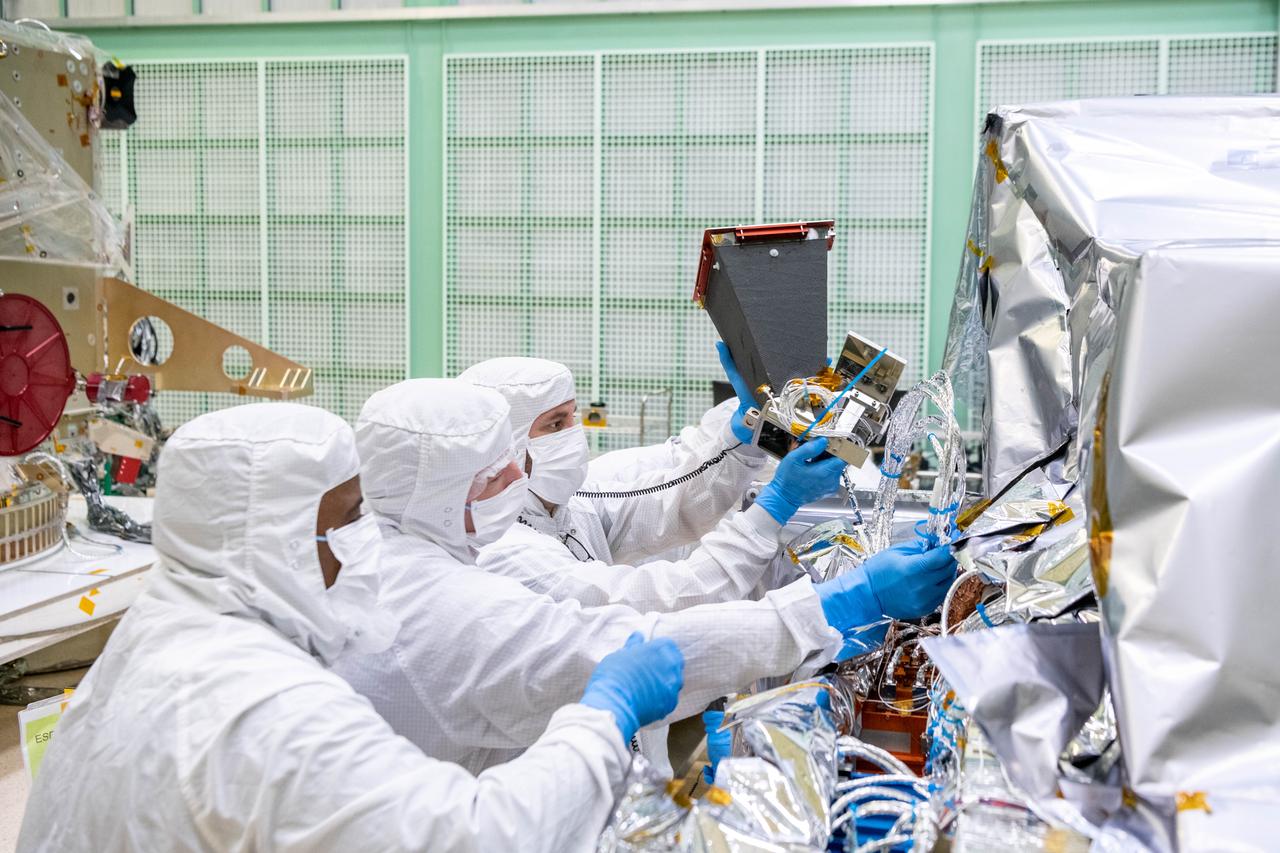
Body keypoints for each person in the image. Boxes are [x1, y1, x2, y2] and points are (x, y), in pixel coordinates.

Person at [17, 404, 685, 853]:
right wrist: (603, 716)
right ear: (277, 537)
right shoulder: (266, 707)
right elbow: (478, 835)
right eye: (350, 515)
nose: (368, 538)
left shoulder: (156, 631)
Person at [334, 379, 956, 775]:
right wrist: (833, 607)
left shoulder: (427, 542)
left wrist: (738, 430)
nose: (520, 479)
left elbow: (657, 486)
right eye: (501, 474)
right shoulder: (465, 588)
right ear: (445, 493)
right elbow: (635, 631)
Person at [460, 351, 831, 612]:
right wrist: (776, 505)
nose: (574, 436)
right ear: (508, 444)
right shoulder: (506, 552)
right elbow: (676, 597)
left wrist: (745, 434)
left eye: (573, 418)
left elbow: (676, 507)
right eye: (556, 424)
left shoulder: (566, 508)